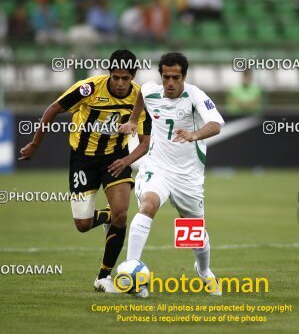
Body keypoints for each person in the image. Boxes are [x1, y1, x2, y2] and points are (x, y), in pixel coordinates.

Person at [19, 50, 151, 293]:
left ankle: (103, 277)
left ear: (133, 76)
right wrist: (36, 143)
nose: (120, 83)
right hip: (82, 159)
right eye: (116, 77)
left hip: (115, 158)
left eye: (126, 78)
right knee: (82, 224)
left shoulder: (140, 99)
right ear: (109, 74)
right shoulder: (88, 89)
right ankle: (105, 218)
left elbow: (145, 142)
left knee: (121, 214)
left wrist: (127, 161)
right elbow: (53, 109)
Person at [120, 52, 225, 298]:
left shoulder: (195, 95)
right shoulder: (150, 91)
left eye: (175, 77)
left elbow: (216, 124)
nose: (169, 83)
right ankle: (131, 272)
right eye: (165, 77)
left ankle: (204, 270)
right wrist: (134, 120)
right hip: (158, 168)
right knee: (148, 204)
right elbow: (141, 95)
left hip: (188, 177)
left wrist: (194, 135)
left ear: (184, 77)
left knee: (193, 233)